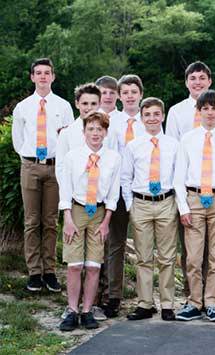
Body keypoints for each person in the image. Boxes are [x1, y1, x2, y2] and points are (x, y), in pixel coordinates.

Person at [165, 61, 215, 301]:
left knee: (214, 253)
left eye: (202, 77)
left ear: (209, 81)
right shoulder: (176, 113)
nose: (197, 82)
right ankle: (192, 296)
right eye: (193, 78)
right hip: (189, 189)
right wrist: (180, 198)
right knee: (191, 251)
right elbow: (173, 151)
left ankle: (211, 298)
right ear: (186, 82)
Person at [173, 90, 215, 322]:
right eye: (206, 108)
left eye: (214, 108)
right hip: (193, 199)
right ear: (199, 111)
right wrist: (183, 207)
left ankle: (211, 302)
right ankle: (194, 302)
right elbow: (179, 175)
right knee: (193, 257)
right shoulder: (188, 139)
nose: (210, 112)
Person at [12, 58, 73, 293]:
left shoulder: (63, 106)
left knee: (49, 222)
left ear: (53, 77)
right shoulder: (23, 107)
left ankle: (49, 271)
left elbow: (67, 138)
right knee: (31, 221)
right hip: (30, 166)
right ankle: (34, 273)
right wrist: (28, 158)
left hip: (55, 167)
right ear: (32, 77)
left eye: (47, 73)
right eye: (38, 73)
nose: (43, 77)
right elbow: (18, 140)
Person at [58, 112, 121, 331]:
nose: (95, 133)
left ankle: (87, 311)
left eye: (99, 129)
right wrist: (67, 217)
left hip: (100, 213)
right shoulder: (72, 156)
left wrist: (106, 222)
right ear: (84, 132)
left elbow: (113, 192)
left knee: (94, 265)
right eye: (91, 129)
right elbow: (65, 188)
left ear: (105, 132)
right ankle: (72, 310)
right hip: (76, 210)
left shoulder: (113, 158)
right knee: (75, 265)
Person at [121, 98, 179, 322]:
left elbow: (178, 175)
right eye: (148, 115)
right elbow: (126, 178)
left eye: (156, 114)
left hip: (166, 202)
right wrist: (130, 205)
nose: (152, 118)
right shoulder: (133, 145)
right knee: (144, 257)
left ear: (162, 116)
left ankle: (167, 304)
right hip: (141, 203)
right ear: (142, 118)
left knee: (167, 257)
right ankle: (145, 303)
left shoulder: (173, 145)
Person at [100, 74, 146, 318]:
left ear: (140, 94)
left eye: (133, 91)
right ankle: (113, 296)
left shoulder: (148, 119)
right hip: (116, 191)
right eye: (124, 92)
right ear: (119, 95)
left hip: (142, 191)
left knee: (143, 246)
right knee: (115, 245)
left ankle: (145, 299)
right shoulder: (111, 121)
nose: (129, 96)